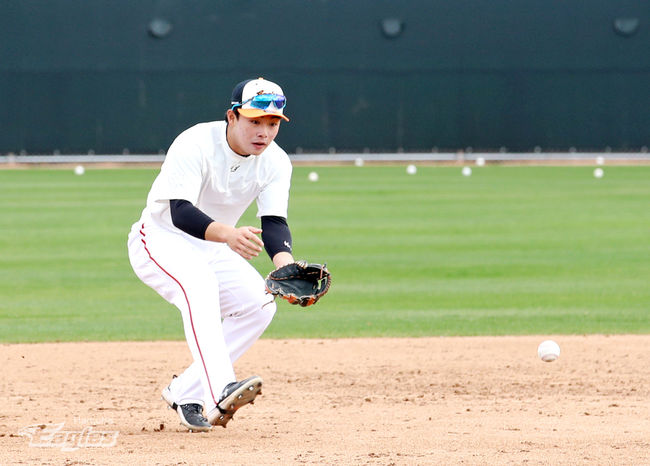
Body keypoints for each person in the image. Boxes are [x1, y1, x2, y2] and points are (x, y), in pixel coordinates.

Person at [127, 77, 295, 432]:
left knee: (260, 304)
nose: (263, 132)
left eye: (272, 123)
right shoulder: (195, 143)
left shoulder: (276, 162)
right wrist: (229, 235)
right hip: (160, 239)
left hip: (213, 246)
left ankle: (184, 390)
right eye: (255, 121)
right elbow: (180, 212)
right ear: (232, 117)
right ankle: (221, 388)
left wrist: (286, 267)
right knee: (199, 284)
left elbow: (275, 223)